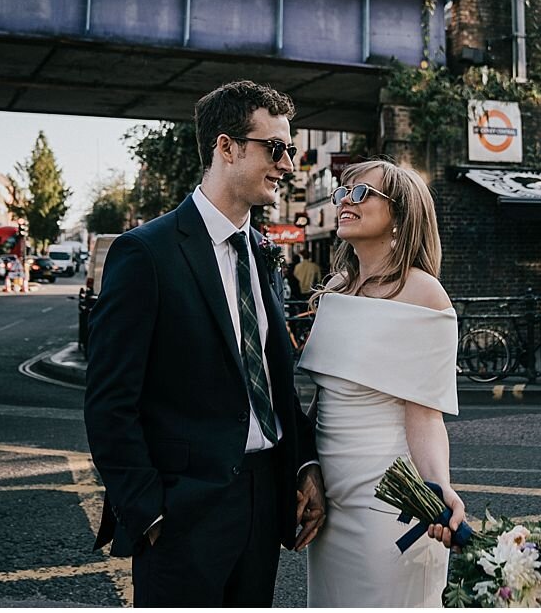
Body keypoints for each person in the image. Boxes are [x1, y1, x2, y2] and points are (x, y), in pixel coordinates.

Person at [83, 80, 326, 607]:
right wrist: (147, 509)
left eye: (292, 150)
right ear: (227, 147)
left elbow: (275, 378)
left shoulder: (260, 250)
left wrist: (304, 465)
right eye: (276, 148)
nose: (288, 164)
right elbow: (110, 401)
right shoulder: (145, 253)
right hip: (181, 514)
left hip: (264, 503)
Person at [297, 159, 464, 608]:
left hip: (388, 500)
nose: (345, 202)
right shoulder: (336, 287)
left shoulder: (424, 292)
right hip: (331, 498)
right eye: (342, 193)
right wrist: (302, 469)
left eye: (361, 193)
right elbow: (324, 399)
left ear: (400, 215)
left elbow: (425, 414)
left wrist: (437, 487)